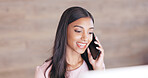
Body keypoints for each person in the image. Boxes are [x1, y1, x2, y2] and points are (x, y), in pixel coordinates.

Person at [35, 6, 105, 78]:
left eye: (90, 32)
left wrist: (98, 70)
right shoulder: (44, 72)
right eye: (78, 31)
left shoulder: (96, 67)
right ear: (64, 31)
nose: (85, 38)